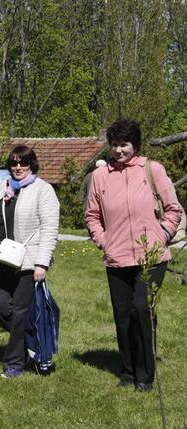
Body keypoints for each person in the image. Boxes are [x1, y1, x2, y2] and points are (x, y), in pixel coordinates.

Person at [86, 119, 182, 392]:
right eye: (115, 144)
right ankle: (127, 371)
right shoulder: (100, 177)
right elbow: (92, 216)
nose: (118, 150)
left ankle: (145, 374)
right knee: (122, 315)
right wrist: (104, 242)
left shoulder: (153, 170)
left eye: (124, 144)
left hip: (151, 256)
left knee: (142, 309)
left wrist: (161, 236)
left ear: (135, 145)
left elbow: (173, 208)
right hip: (116, 258)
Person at [0, 145, 59, 378]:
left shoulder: (43, 190)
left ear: (31, 164)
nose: (18, 167)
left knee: (19, 312)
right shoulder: (1, 188)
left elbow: (49, 228)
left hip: (28, 262)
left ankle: (14, 363)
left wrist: (42, 263)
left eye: (23, 163)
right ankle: (31, 341)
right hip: (3, 259)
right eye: (14, 163)